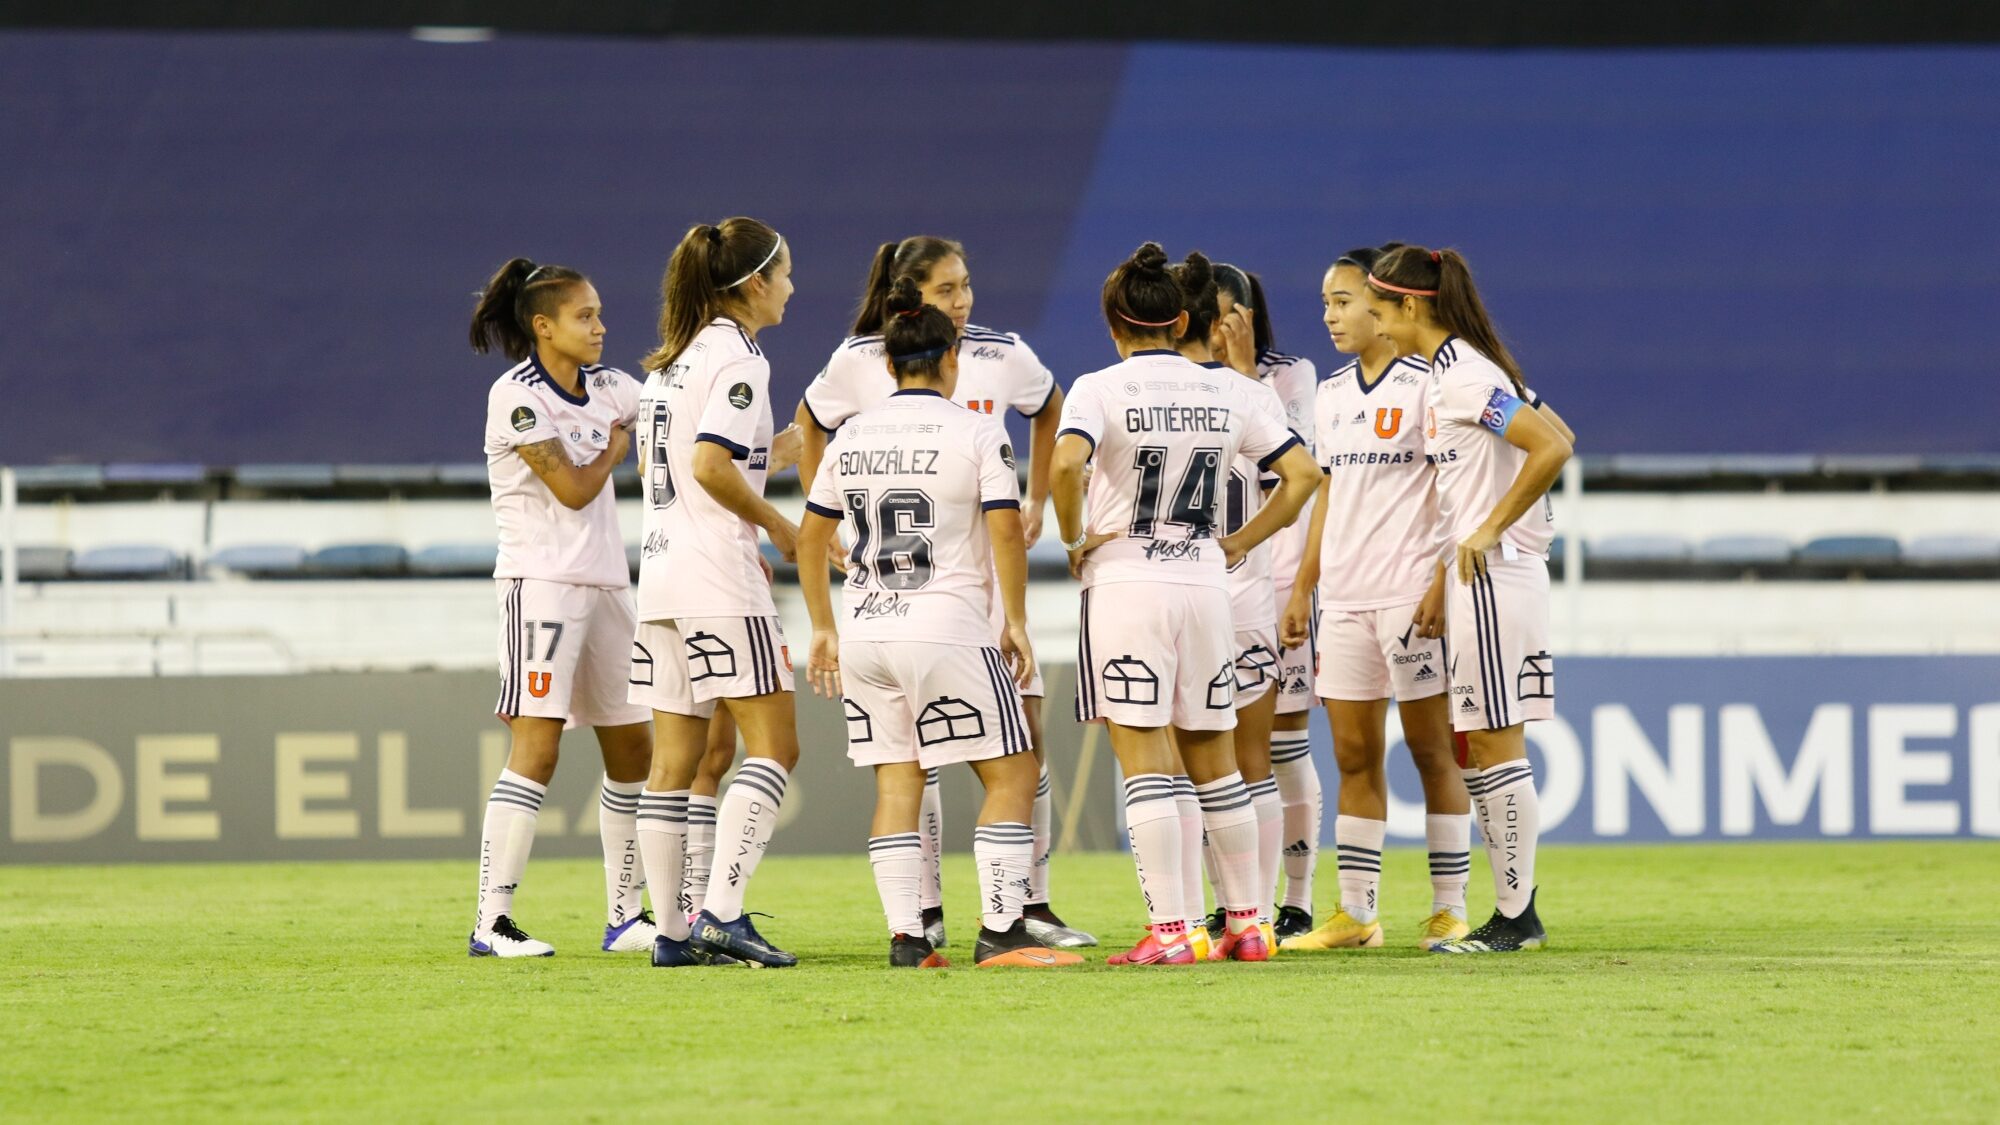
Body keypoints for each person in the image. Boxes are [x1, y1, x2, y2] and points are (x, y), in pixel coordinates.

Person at [794, 236, 1091, 950]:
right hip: (950, 626)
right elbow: (1008, 534)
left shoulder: (852, 435)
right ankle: (1002, 931)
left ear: (888, 364)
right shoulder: (977, 430)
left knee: (898, 781)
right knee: (1016, 768)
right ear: (952, 362)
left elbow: (808, 538)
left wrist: (823, 628)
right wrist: (1015, 620)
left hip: (866, 630)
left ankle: (909, 938)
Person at [1052, 243, 1320, 966]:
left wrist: (1074, 536)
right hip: (1207, 584)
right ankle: (1250, 924)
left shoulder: (1097, 388)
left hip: (1128, 583)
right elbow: (1301, 476)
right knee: (1218, 762)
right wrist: (1242, 540)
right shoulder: (1237, 391)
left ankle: (1172, 931)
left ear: (1116, 322)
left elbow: (1066, 463)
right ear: (1178, 320)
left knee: (1145, 760)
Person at [1358, 244, 1574, 953]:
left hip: (1492, 575)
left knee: (1493, 742)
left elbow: (1550, 447)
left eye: (1378, 306)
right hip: (1481, 575)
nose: (1372, 319)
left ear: (1409, 306)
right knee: (1480, 744)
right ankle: (1512, 910)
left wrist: (1486, 530)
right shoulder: (1461, 373)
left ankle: (1517, 918)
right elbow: (1561, 431)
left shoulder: (1460, 377)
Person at [1278, 245, 1471, 952]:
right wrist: (1304, 586)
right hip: (1348, 598)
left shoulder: (1429, 383)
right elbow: (1326, 496)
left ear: (1383, 304)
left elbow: (1457, 490)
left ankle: (1450, 907)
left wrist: (1441, 581)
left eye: (1342, 300)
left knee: (1432, 753)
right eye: (1326, 302)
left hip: (1411, 593)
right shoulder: (1330, 394)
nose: (1329, 314)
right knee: (1354, 757)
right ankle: (1356, 913)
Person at [627, 217, 809, 968]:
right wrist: (777, 523)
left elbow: (661, 470)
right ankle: (723, 912)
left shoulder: (666, 366)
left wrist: (799, 444)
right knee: (777, 747)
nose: (794, 287)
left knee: (673, 763)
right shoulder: (740, 359)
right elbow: (709, 464)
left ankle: (670, 933)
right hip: (718, 578)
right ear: (754, 284)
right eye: (787, 273)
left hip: (662, 575)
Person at [466, 257, 657, 958]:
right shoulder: (515, 396)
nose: (600, 326)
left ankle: (625, 915)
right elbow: (574, 489)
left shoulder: (611, 386)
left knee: (634, 746)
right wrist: (615, 449)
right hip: (540, 585)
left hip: (608, 584)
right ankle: (492, 921)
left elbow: (669, 412)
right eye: (585, 315)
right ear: (543, 325)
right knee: (537, 750)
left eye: (600, 312)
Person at [1171, 259, 1286, 956]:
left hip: (1210, 595)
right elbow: (1304, 480)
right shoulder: (1252, 398)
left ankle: (1239, 910)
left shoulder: (1165, 394)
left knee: (1223, 764)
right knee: (1235, 764)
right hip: (1236, 594)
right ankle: (1242, 914)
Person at [1236, 270, 1323, 941]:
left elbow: (1291, 466)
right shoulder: (1181, 379)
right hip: (1212, 585)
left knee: (1283, 744)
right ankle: (1237, 899)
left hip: (1279, 576)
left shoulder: (1291, 374)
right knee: (1218, 755)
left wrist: (1241, 371)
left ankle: (1294, 898)